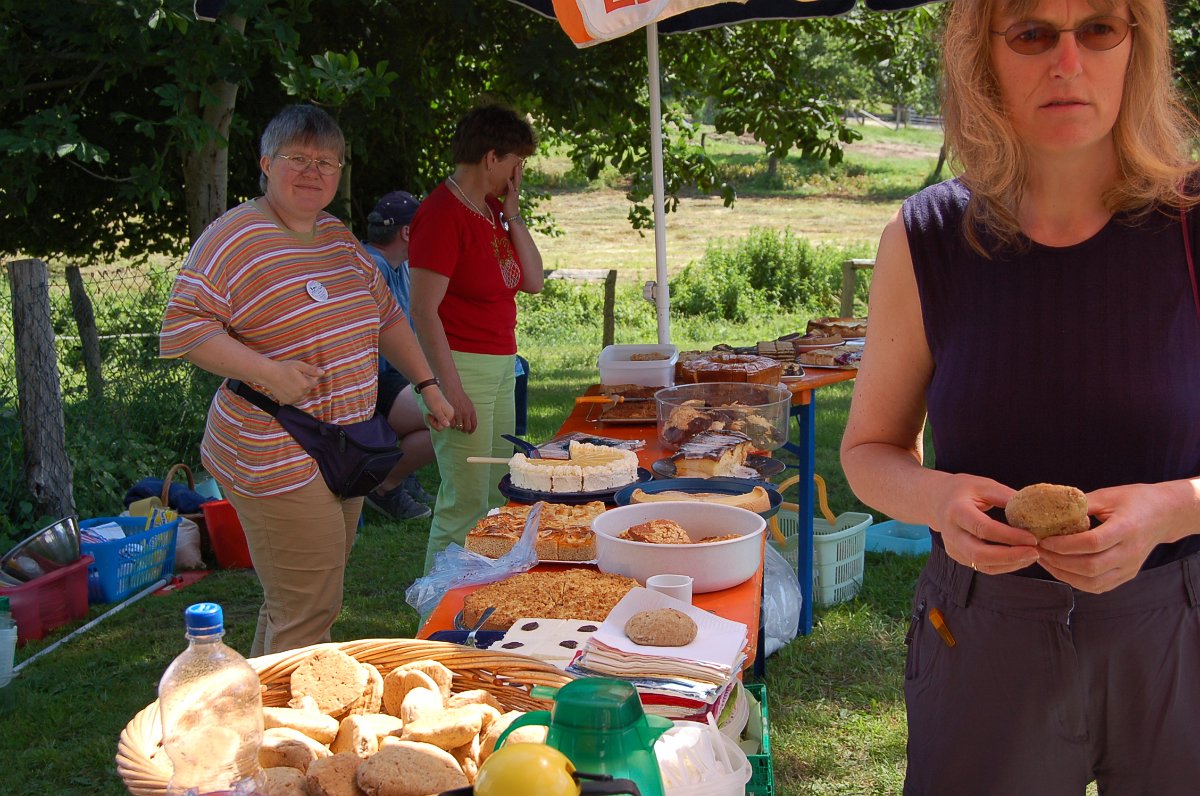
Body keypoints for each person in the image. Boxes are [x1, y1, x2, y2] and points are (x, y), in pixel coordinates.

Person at [840, 0, 1200, 792]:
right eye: (1033, 33)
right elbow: (868, 453)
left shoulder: (1191, 222)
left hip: (1179, 626)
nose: (1066, 62)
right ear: (983, 57)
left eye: (1099, 28)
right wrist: (939, 500)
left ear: (1136, 45)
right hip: (984, 633)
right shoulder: (924, 238)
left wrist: (1169, 512)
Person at [159, 105, 453, 655]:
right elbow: (183, 327)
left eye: (327, 161)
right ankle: (287, 733)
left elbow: (387, 314)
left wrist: (427, 385)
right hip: (273, 445)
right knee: (309, 608)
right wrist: (267, 372)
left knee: (302, 596)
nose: (312, 171)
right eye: (298, 157)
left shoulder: (336, 238)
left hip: (345, 443)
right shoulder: (235, 238)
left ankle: (254, 705)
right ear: (267, 163)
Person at [409, 102, 543, 573]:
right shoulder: (442, 214)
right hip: (461, 366)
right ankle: (433, 614)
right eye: (514, 163)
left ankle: (479, 595)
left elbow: (532, 280)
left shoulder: (488, 210)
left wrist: (514, 213)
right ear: (491, 159)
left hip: (499, 364)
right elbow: (422, 312)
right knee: (462, 502)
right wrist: (450, 389)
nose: (516, 173)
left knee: (495, 494)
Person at [361, 190, 437, 520]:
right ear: (407, 232)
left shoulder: (401, 265)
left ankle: (400, 476)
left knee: (442, 415)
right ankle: (384, 486)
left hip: (395, 377)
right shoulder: (369, 268)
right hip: (370, 382)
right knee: (448, 419)